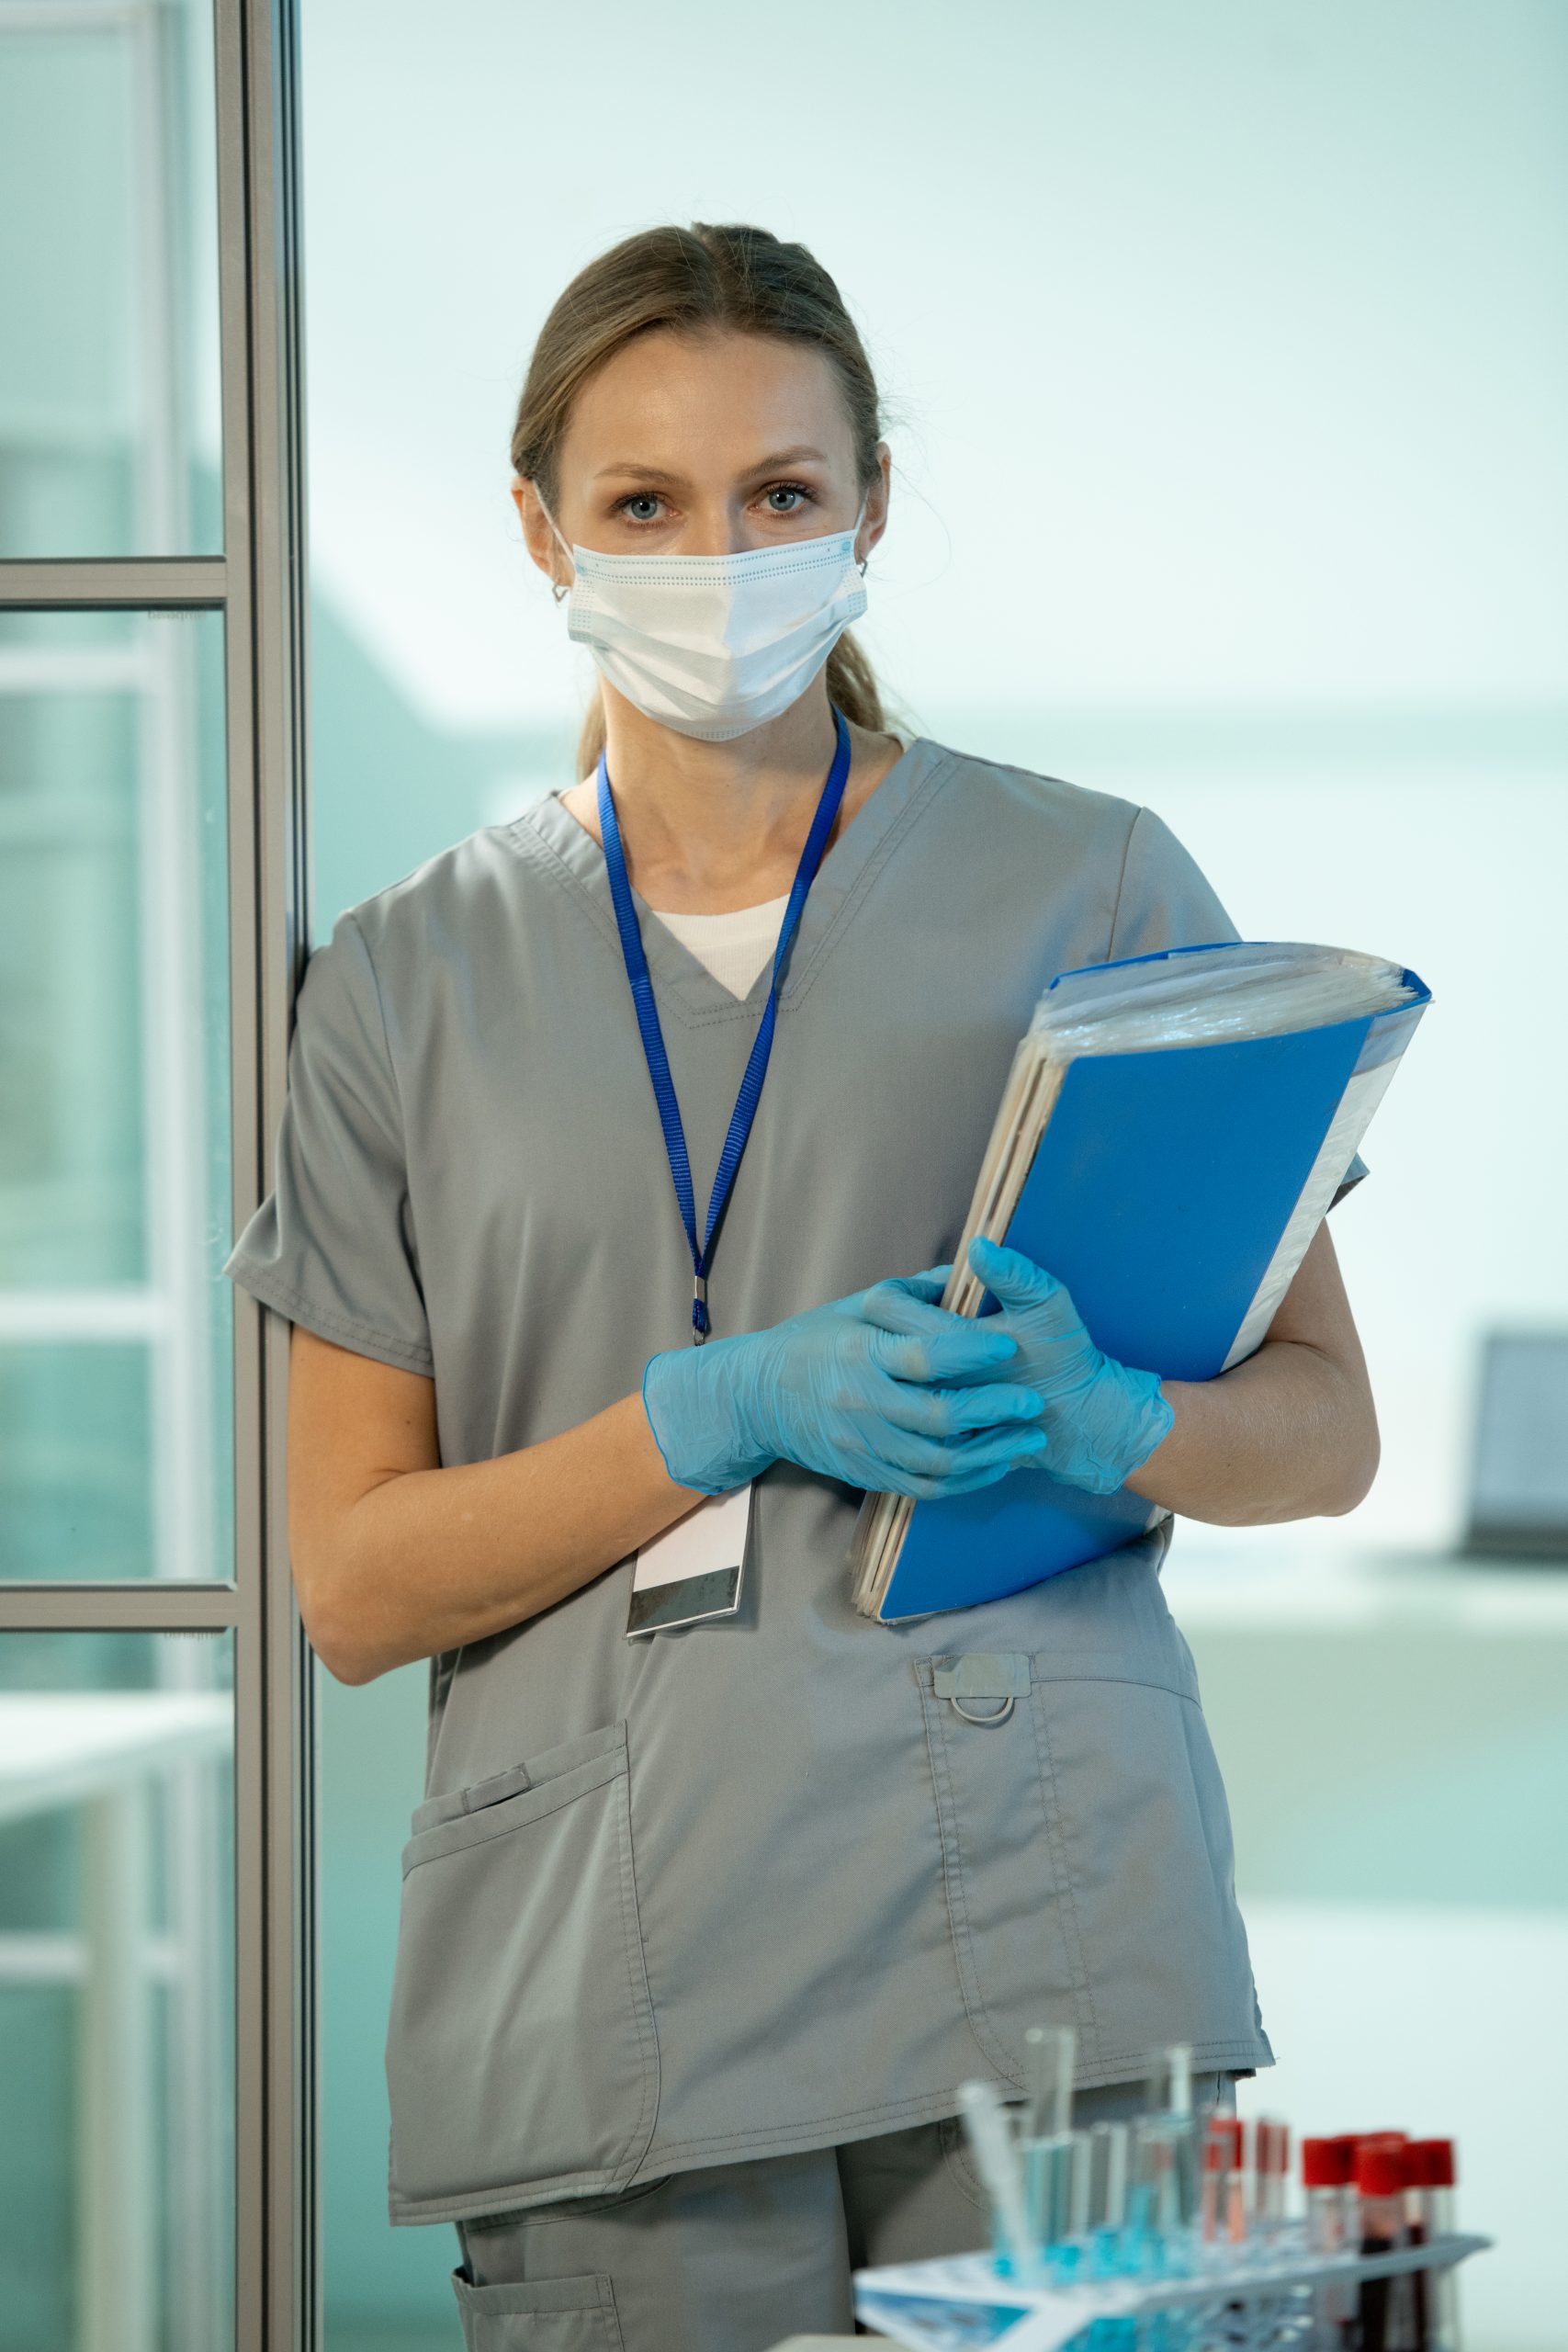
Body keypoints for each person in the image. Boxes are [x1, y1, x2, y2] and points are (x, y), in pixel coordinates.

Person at [224, 221, 1379, 2351]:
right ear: (537, 526)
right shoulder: (402, 981)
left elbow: (1324, 1430)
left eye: (779, 495)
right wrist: (704, 1410)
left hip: (1040, 1947)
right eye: (643, 504)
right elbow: (354, 1588)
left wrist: (1122, 1420)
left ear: (864, 512)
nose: (715, 556)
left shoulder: (1091, 884)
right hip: (613, 1979)